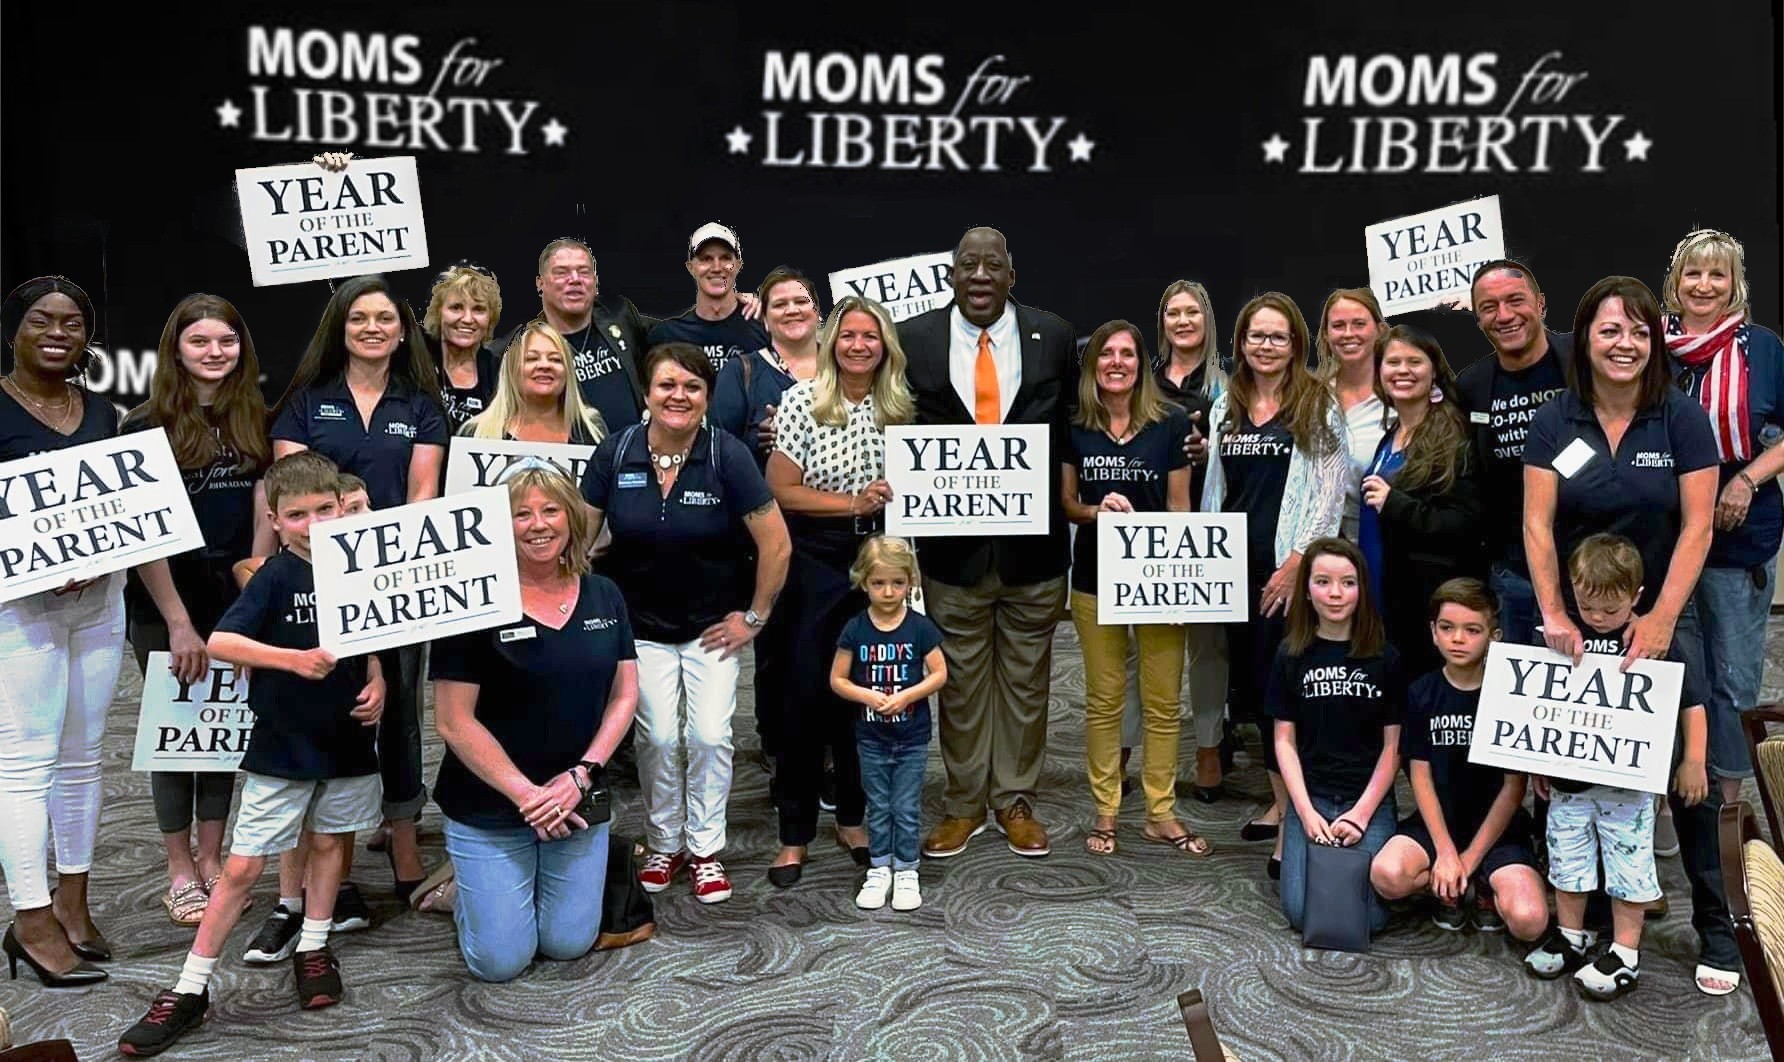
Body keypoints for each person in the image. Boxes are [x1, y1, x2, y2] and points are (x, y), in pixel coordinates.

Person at [118, 452, 385, 1056]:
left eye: (325, 510)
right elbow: (222, 640)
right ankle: (190, 986)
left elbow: (371, 632)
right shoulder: (273, 576)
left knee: (329, 843)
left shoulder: (358, 566)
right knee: (242, 868)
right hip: (283, 745)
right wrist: (292, 660)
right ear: (274, 519)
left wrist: (377, 677)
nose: (313, 524)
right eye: (298, 515)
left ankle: (314, 945)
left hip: (346, 737)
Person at [1522, 276, 1738, 996]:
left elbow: (1699, 525)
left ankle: (1719, 930)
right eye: (1610, 330)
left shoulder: (1680, 416)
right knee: (1566, 771)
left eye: (1639, 331)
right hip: (1575, 623)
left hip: (1662, 613)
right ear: (1584, 337)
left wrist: (1664, 616)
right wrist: (1555, 613)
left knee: (1689, 776)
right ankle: (1576, 923)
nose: (1625, 344)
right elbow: (1536, 525)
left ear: (1655, 341)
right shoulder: (1556, 418)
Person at [580, 343, 790, 903]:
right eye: (667, 385)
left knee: (709, 736)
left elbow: (776, 543)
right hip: (638, 627)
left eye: (692, 387)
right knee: (656, 738)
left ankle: (705, 850)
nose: (679, 396)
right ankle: (665, 843)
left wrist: (754, 617)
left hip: (712, 628)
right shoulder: (616, 452)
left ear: (707, 397)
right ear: (647, 393)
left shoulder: (728, 455)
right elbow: (577, 539)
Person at [897, 226, 1078, 859]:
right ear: (951, 274)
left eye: (992, 264)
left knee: (1027, 683)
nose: (980, 274)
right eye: (968, 264)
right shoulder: (912, 337)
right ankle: (965, 803)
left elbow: (1075, 427)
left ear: (1010, 275)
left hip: (1035, 551)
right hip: (951, 551)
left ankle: (1015, 800)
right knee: (961, 684)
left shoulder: (1054, 335)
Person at [271, 275, 446, 899]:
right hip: (316, 582)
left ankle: (403, 834)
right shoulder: (305, 402)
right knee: (332, 708)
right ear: (339, 329)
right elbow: (292, 489)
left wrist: (384, 551)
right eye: (359, 318)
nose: (372, 328)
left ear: (402, 332)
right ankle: (327, 858)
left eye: (385, 318)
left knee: (399, 712)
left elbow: (423, 494)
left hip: (394, 580)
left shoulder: (419, 404)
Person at [431, 462, 638, 981]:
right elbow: (453, 722)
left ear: (571, 518)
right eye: (521, 514)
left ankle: (506, 887)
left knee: (569, 943)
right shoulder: (471, 603)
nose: (538, 524)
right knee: (500, 962)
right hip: (491, 802)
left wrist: (581, 776)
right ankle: (460, 890)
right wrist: (529, 797)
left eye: (550, 510)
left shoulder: (604, 594)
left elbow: (624, 696)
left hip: (576, 796)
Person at [122, 294, 274, 927]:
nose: (215, 352)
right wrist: (179, 622)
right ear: (176, 349)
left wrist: (252, 601)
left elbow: (265, 510)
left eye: (227, 341)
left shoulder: (256, 416)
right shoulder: (141, 426)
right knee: (174, 734)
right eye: (200, 341)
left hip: (232, 599)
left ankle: (212, 858)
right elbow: (141, 533)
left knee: (220, 728)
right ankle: (179, 867)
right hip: (164, 604)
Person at [763, 296, 914, 884]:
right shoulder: (803, 399)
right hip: (813, 558)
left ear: (885, 346)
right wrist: (852, 503)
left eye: (870, 336)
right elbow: (781, 488)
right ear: (832, 343)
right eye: (848, 335)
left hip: (880, 560)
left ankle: (853, 819)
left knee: (868, 693)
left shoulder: (902, 408)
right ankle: (794, 834)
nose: (858, 345)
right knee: (803, 695)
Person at [0, 277, 124, 987]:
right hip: (18, 608)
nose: (57, 333)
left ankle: (73, 903)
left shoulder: (102, 411)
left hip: (99, 604)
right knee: (24, 762)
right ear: (13, 329)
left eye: (72, 322)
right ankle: (30, 918)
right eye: (41, 321)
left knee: (82, 758)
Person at [1522, 535, 1710, 1000]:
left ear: (1636, 597)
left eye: (1610, 609)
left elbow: (1692, 703)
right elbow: (1535, 705)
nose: (1599, 618)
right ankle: (1572, 935)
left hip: (1629, 786)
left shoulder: (1651, 640)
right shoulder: (1560, 634)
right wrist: (1536, 762)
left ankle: (1625, 952)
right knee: (1567, 860)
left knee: (1629, 866)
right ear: (1572, 591)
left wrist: (1693, 760)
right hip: (1569, 780)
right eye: (1588, 607)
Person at [1201, 292, 1347, 874]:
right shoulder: (1226, 406)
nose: (1266, 346)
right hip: (1233, 571)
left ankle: (1294, 813)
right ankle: (1282, 801)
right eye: (1256, 336)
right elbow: (1216, 489)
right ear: (1241, 343)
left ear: (1295, 345)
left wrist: (1297, 563)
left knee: (1288, 689)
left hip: (1290, 576)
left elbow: (1330, 493)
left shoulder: (1317, 403)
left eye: (1278, 337)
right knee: (1256, 690)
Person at [1063, 320, 1207, 857]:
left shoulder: (1171, 423)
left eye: (1127, 353)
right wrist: (1095, 512)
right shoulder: (1075, 425)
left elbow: (1179, 506)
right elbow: (1068, 503)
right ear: (1093, 365)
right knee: (1104, 701)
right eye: (1106, 354)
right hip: (1094, 579)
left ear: (1141, 364)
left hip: (1158, 581)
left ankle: (1160, 813)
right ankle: (1106, 809)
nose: (1117, 363)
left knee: (1164, 702)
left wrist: (1181, 586)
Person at [1662, 229, 1784, 806]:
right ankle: (1665, 797)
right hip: (1663, 536)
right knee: (1671, 672)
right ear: (1675, 282)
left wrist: (1745, 479)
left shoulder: (1763, 348)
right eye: (1693, 273)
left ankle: (1728, 808)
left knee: (1732, 677)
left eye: (1718, 274)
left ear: (1735, 284)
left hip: (1739, 536)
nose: (1704, 285)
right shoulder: (1651, 345)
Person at [1369, 579, 1546, 941]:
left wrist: (1470, 858)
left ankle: (1480, 881)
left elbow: (1514, 788)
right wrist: (1446, 851)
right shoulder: (1420, 693)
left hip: (1498, 830)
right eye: (1447, 628)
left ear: (1494, 636)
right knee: (1386, 875)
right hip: (1437, 824)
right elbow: (1420, 777)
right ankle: (1443, 884)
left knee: (1529, 922)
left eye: (1472, 630)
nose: (1458, 639)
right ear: (1433, 633)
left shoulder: (1510, 695)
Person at [712, 267, 822, 773]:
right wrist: (758, 438)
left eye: (801, 300)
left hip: (836, 531)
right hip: (770, 532)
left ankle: (830, 753)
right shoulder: (744, 371)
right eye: (780, 304)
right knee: (779, 645)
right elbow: (719, 445)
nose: (792, 310)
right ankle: (781, 753)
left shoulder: (844, 363)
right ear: (765, 316)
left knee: (834, 643)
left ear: (817, 309)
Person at [1270, 538, 1402, 936]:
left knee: (1368, 918)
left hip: (1368, 801)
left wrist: (1361, 814)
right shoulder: (1290, 655)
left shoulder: (1385, 657)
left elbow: (1393, 747)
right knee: (1301, 913)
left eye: (1347, 583)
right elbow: (1283, 742)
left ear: (1362, 589)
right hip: (1312, 797)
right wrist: (1304, 812)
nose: (1335, 593)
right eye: (1323, 582)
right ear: (1306, 590)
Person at [1455, 260, 1575, 646]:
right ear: (1478, 320)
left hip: (1592, 568)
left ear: (1541, 303)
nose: (1504, 315)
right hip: (1513, 574)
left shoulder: (1584, 360)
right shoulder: (1470, 386)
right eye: (1489, 307)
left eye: (1515, 300)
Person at [1357, 325, 1482, 678]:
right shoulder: (1391, 434)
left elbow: (1464, 524)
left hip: (1425, 600)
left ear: (1434, 371)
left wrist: (1395, 504)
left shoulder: (1453, 437)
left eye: (1414, 361)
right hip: (1383, 588)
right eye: (1392, 362)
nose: (1403, 370)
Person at [830, 536, 946, 911]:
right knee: (879, 805)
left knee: (906, 806)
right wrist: (866, 695)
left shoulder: (920, 627)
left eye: (898, 582)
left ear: (910, 582)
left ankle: (907, 870)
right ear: (863, 582)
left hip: (912, 737)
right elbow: (837, 679)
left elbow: (940, 673)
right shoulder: (855, 629)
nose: (889, 591)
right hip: (870, 737)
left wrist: (909, 694)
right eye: (878, 583)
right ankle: (880, 867)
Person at [1152, 280, 1226, 800]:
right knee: (1144, 648)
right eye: (1173, 312)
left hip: (1207, 524)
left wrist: (1210, 449)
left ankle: (1208, 747)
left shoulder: (1229, 380)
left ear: (1207, 320)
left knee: (1208, 647)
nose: (1182, 321)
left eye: (1192, 312)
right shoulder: (1144, 380)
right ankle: (1127, 748)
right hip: (1146, 527)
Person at [528, 237, 651, 433]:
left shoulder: (621, 318)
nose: (575, 279)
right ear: (540, 283)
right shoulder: (527, 347)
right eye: (562, 272)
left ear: (595, 281)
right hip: (572, 450)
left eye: (584, 271)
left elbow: (676, 335)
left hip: (634, 449)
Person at [647, 223, 771, 376]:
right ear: (691, 267)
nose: (717, 267)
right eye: (706, 259)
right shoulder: (667, 336)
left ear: (738, 265)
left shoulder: (764, 329)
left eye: (725, 258)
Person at [1315, 289, 1388, 541]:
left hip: (1384, 541)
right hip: (1324, 545)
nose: (1348, 334)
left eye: (1359, 324)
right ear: (1326, 335)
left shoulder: (1399, 396)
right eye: (1338, 326)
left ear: (1380, 330)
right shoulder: (1313, 397)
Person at [461, 321, 606, 445]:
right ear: (512, 370)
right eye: (531, 358)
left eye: (555, 359)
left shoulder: (592, 429)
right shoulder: (476, 433)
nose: (545, 365)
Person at [424, 263, 503, 433]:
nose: (467, 319)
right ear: (438, 312)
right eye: (456, 307)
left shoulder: (500, 372)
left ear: (490, 318)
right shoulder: (416, 360)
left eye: (478, 309)